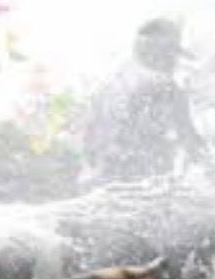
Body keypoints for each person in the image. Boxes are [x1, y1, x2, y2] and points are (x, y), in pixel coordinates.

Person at [82, 18, 208, 184]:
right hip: (142, 185)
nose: (175, 62)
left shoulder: (109, 84)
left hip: (103, 179)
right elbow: (192, 144)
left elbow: (89, 142)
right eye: (173, 54)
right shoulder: (169, 89)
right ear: (164, 55)